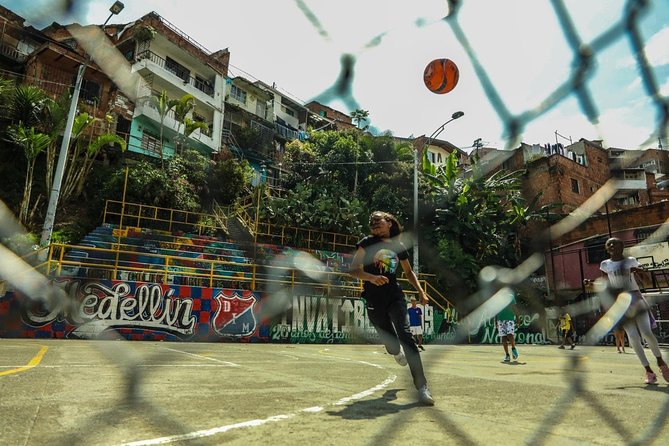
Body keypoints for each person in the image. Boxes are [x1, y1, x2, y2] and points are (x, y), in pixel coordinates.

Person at [349, 211, 434, 405]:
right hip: (373, 297)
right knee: (392, 344)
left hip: (395, 296)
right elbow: (354, 269)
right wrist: (371, 278)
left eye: (378, 222)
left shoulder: (399, 246)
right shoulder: (367, 243)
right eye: (371, 223)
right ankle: (395, 351)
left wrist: (421, 291)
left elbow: (408, 272)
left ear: (389, 223)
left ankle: (422, 387)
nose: (374, 225)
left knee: (406, 336)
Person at [584, 237, 669, 384]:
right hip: (621, 301)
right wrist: (591, 284)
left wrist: (638, 271)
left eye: (614, 243)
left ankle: (661, 362)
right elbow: (605, 284)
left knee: (646, 332)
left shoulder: (631, 261)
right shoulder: (605, 264)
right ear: (606, 249)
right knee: (633, 337)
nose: (611, 245)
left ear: (622, 246)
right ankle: (648, 371)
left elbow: (647, 281)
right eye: (608, 244)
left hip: (636, 298)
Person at [496, 290, 519, 362]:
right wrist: (495, 321)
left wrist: (518, 317)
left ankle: (513, 348)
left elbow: (514, 307)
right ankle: (507, 355)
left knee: (510, 335)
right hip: (500, 319)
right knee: (503, 337)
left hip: (510, 319)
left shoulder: (510, 296)